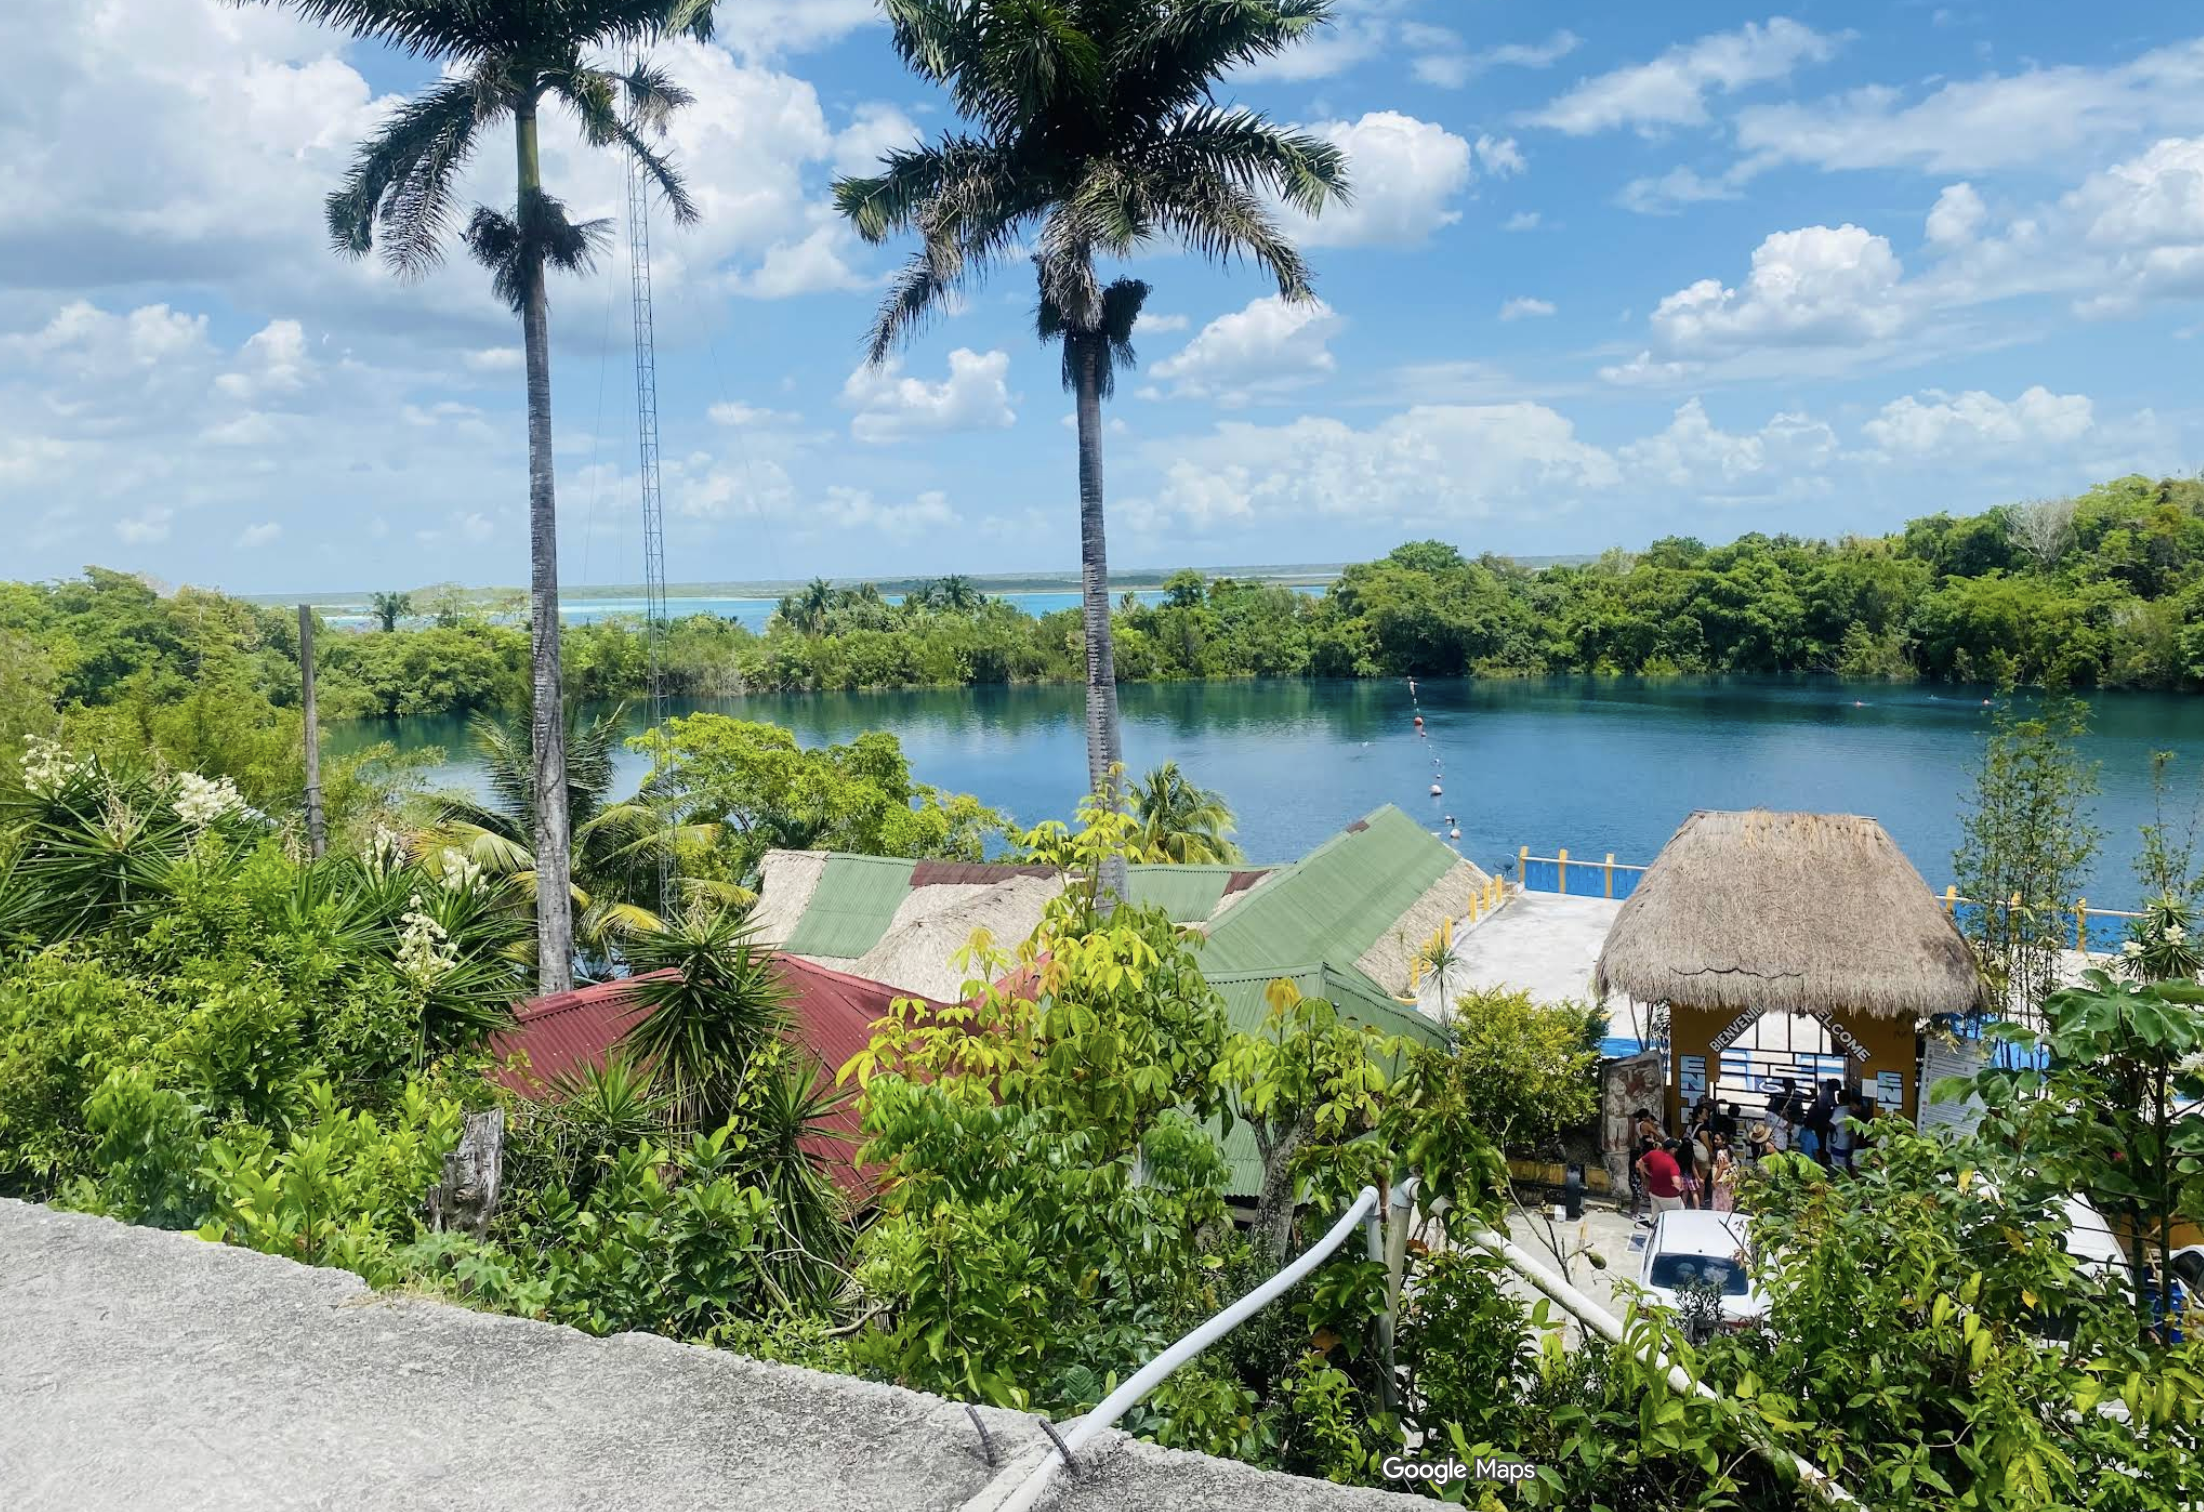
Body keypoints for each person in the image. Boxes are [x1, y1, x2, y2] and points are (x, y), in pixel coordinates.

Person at [1638, 1138, 1685, 1216]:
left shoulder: (1652, 1153)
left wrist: (1649, 1173)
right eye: (1676, 1148)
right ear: (1672, 1150)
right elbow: (1676, 1182)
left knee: (1656, 1217)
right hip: (1669, 1196)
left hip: (1653, 1193)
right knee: (1677, 1216)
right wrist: (1681, 1187)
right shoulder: (1672, 1164)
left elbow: (1639, 1163)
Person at [1709, 1134, 1737, 1214]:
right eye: (1714, 1139)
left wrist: (1714, 1180)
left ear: (1724, 1141)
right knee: (1727, 1202)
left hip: (1721, 1181)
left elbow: (1721, 1167)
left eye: (1717, 1140)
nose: (1715, 1141)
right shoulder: (1728, 1150)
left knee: (1720, 1203)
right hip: (1728, 1179)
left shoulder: (1720, 1153)